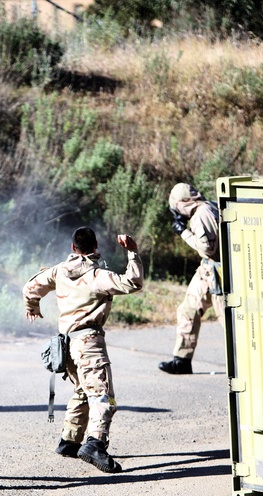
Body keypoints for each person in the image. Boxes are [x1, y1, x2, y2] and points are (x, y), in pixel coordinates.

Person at [23, 227, 143, 474]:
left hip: (66, 345)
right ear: (96, 246)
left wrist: (32, 306)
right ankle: (95, 443)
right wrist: (132, 253)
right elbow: (133, 282)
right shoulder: (99, 276)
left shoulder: (58, 271)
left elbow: (30, 287)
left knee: (82, 389)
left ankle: (70, 440)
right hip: (89, 342)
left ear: (72, 248)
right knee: (101, 394)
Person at [158, 183, 224, 376]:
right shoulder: (204, 209)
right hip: (207, 270)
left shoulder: (203, 213)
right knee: (188, 309)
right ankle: (182, 360)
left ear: (184, 203)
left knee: (227, 321)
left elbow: (207, 248)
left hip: (218, 272)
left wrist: (183, 232)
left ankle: (246, 362)